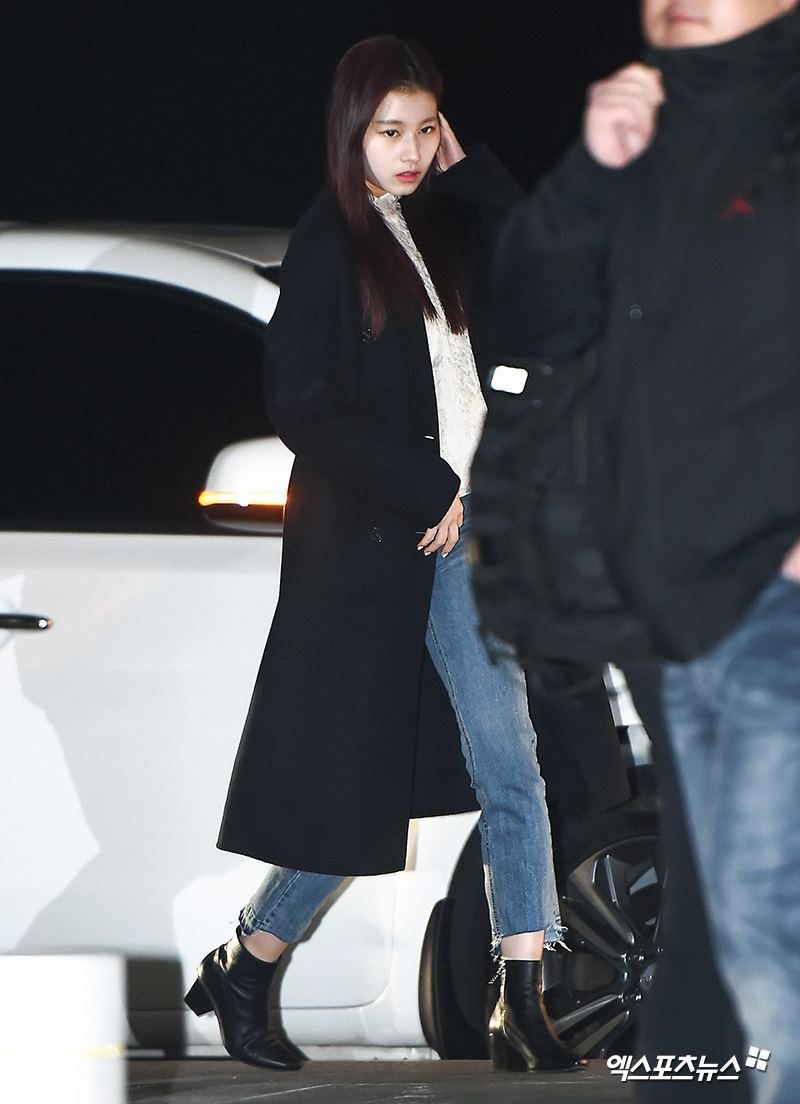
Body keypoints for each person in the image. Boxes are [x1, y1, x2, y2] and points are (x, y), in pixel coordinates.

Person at [183, 35, 581, 1075]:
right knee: (356, 788)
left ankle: (522, 1001)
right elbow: (303, 405)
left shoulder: (441, 228)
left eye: (422, 130)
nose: (406, 151)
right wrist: (428, 486)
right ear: (349, 132)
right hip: (376, 549)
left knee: (511, 763)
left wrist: (467, 171)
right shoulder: (330, 240)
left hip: (465, 543)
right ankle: (249, 960)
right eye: (387, 131)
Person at [484, 3, 800, 1102]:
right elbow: (526, 321)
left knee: (767, 947)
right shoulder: (653, 133)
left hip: (773, 599)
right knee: (711, 947)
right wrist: (591, 173)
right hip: (664, 611)